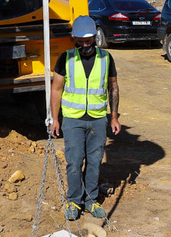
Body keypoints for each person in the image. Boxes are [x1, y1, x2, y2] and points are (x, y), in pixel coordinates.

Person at [50, 16, 121, 221]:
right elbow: (56, 89)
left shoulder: (106, 58)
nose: (84, 44)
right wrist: (55, 119)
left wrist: (114, 117)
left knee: (95, 161)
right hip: (73, 120)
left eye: (88, 40)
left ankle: (91, 200)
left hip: (98, 119)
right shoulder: (66, 58)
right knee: (74, 161)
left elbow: (113, 87)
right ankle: (74, 200)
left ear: (95, 36)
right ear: (75, 39)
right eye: (80, 41)